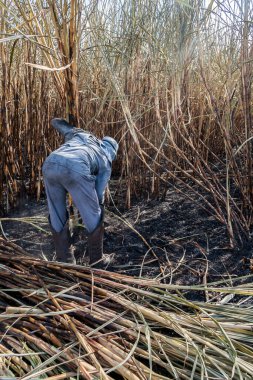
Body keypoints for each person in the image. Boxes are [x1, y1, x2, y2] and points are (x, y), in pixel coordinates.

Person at [42, 118, 118, 266]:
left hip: (50, 162)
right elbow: (98, 195)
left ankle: (65, 259)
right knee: (94, 212)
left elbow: (57, 123)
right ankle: (98, 260)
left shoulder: (81, 136)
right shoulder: (106, 157)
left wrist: (72, 129)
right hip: (76, 166)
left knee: (56, 211)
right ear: (112, 151)